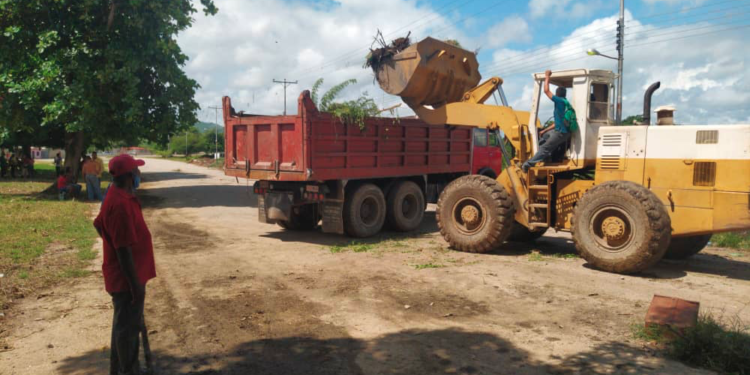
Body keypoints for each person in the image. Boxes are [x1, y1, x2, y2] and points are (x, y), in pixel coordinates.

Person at [93, 154, 154, 375]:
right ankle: (129, 370)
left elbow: (98, 224)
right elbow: (124, 251)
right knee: (128, 330)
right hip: (127, 279)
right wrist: (135, 285)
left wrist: (111, 240)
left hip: (129, 275)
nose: (139, 173)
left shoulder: (120, 195)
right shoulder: (119, 205)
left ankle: (118, 369)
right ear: (129, 176)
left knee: (123, 325)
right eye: (136, 170)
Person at [522, 70, 573, 172]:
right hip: (562, 131)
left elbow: (546, 91)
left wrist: (547, 77)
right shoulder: (566, 103)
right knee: (545, 136)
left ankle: (528, 164)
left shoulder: (559, 101)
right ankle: (544, 155)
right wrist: (544, 131)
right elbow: (558, 123)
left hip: (560, 133)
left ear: (557, 94)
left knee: (544, 148)